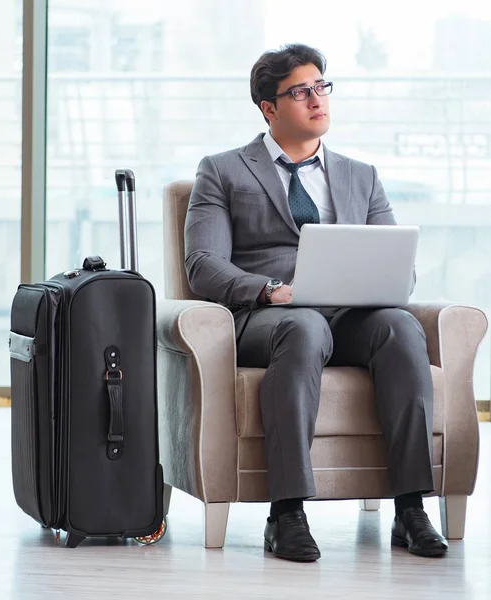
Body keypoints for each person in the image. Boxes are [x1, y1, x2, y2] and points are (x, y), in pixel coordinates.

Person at [184, 43, 448, 562]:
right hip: (270, 318)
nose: (316, 99)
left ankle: (412, 506)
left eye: (321, 87)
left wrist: (381, 284)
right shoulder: (223, 171)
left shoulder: (360, 175)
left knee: (400, 327)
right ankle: (286, 513)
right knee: (303, 326)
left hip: (349, 316)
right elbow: (202, 263)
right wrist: (268, 290)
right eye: (300, 91)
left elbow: (398, 263)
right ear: (268, 107)